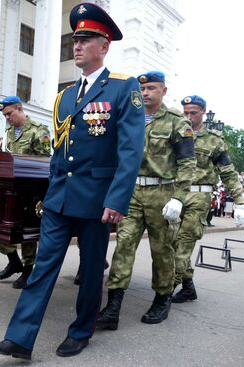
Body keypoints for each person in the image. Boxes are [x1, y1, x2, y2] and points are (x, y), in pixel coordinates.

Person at [0, 3, 145, 359]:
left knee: (89, 271)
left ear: (104, 46)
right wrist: (49, 192)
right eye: (75, 38)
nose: (77, 45)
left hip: (97, 199)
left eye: (86, 39)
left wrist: (117, 200)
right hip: (59, 198)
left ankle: (82, 329)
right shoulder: (65, 97)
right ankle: (20, 338)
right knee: (43, 267)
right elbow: (60, 152)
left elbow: (131, 150)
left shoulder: (122, 88)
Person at [96, 71, 196, 330]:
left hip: (162, 193)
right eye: (142, 89)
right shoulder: (130, 117)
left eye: (152, 87)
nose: (146, 93)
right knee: (124, 245)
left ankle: (162, 298)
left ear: (164, 90)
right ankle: (113, 305)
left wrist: (178, 198)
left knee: (162, 249)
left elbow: (187, 164)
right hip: (131, 192)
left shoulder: (177, 122)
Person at [171, 95, 244, 304]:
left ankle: (164, 294)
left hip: (199, 196)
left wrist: (239, 201)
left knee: (183, 244)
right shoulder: (175, 133)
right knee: (171, 243)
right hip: (175, 195)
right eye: (185, 112)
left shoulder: (214, 139)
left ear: (204, 112)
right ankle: (188, 288)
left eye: (193, 112)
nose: (188, 116)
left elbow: (228, 172)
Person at [0, 95, 51, 289]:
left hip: (31, 190)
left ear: (19, 109)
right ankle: (13, 260)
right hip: (12, 187)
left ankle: (28, 269)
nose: (7, 118)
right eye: (4, 115)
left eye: (9, 113)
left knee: (27, 231)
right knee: (1, 224)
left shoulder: (38, 130)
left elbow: (44, 161)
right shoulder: (9, 131)